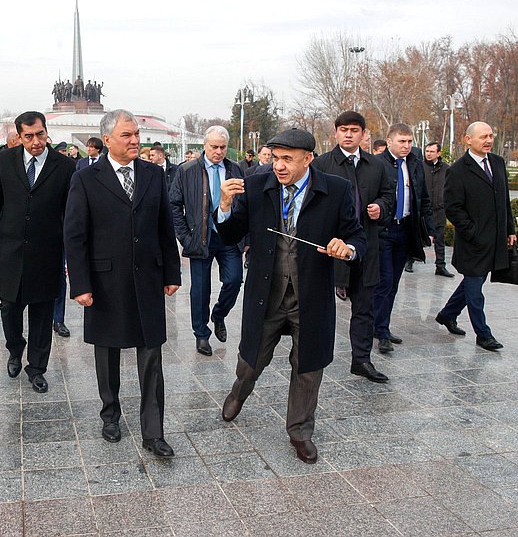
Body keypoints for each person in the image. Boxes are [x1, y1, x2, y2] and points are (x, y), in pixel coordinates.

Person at [216, 128, 365, 464]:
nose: (279, 166)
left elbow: (357, 236)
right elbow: (229, 235)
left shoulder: (336, 190)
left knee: (308, 366)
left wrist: (348, 247)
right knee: (251, 360)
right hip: (266, 294)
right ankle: (239, 392)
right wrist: (224, 205)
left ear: (308, 159)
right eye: (275, 158)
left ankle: (300, 431)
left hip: (311, 296)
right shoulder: (257, 186)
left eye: (287, 159)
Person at [64, 109, 181, 457]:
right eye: (126, 135)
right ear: (108, 139)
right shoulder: (86, 178)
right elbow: (75, 235)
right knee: (107, 351)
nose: (135, 140)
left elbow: (164, 226)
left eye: (136, 134)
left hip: (148, 278)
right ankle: (110, 414)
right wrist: (80, 284)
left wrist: (171, 273)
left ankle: (153, 432)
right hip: (105, 281)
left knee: (151, 354)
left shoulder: (153, 174)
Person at [0, 111, 76, 393]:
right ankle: (15, 348)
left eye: (40, 134)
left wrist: (72, 254)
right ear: (19, 137)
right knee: (8, 307)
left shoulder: (64, 166)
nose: (36, 142)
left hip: (47, 251)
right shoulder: (4, 161)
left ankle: (37, 368)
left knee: (42, 313)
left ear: (46, 132)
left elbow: (70, 213)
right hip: (10, 250)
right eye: (29, 136)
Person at [311, 111, 394, 383]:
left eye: (354, 130)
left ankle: (362, 359)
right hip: (329, 248)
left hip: (365, 246)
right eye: (344, 129)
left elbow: (389, 196)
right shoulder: (322, 164)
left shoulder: (376, 165)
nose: (348, 134)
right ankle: (313, 358)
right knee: (319, 307)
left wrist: (380, 207)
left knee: (364, 307)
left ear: (363, 134)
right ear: (335, 133)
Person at [436, 122, 516, 351]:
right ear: (468, 140)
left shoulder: (498, 163)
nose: (488, 140)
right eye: (483, 137)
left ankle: (447, 314)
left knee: (474, 282)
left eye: (490, 136)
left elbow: (504, 200)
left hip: (495, 240)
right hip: (473, 243)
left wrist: (510, 229)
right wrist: (472, 232)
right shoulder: (458, 170)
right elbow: (453, 208)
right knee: (475, 289)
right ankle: (483, 334)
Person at [169, 125, 244, 356]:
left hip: (229, 237)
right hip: (200, 237)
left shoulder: (234, 169)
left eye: (223, 147)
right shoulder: (187, 170)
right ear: (204, 145)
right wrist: (185, 237)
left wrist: (245, 235)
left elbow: (245, 204)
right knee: (200, 290)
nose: (218, 151)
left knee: (234, 280)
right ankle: (201, 334)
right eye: (214, 147)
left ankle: (219, 314)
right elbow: (174, 205)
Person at [373, 124, 434, 353]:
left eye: (409, 141)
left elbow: (423, 198)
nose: (407, 146)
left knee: (393, 284)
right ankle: (379, 330)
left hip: (405, 229)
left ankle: (382, 326)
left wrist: (428, 229)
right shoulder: (377, 164)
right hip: (384, 231)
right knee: (384, 281)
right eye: (402, 141)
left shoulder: (415, 164)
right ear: (389, 142)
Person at [421, 142, 454, 277]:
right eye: (427, 151)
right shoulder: (420, 167)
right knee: (416, 236)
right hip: (423, 209)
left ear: (438, 153)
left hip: (440, 209)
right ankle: (409, 261)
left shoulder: (446, 169)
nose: (428, 154)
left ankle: (440, 266)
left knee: (439, 239)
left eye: (432, 151)